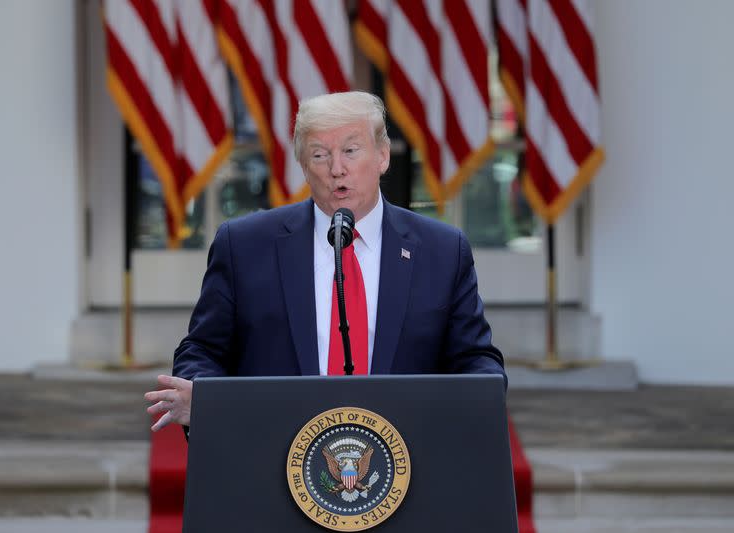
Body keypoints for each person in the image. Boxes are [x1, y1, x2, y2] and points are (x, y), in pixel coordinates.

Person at [144, 91, 505, 432]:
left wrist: (479, 399)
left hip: (407, 463)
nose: (336, 169)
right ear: (302, 164)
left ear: (382, 156)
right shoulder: (244, 246)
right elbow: (203, 350)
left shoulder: (441, 250)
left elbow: (475, 360)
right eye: (319, 155)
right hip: (277, 458)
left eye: (351, 150)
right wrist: (207, 402)